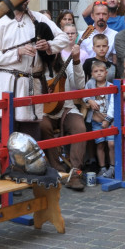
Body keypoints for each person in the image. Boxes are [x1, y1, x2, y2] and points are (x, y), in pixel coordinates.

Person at [0, 0, 70, 137]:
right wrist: (17, 52)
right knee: (6, 138)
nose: (28, 0)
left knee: (30, 140)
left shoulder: (38, 18)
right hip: (6, 84)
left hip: (32, 86)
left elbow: (63, 38)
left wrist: (49, 46)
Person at [39, 32, 88, 189]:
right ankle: (58, 170)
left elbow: (80, 84)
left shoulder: (66, 66)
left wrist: (76, 60)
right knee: (42, 126)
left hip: (67, 108)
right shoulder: (37, 69)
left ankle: (75, 173)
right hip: (44, 111)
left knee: (80, 128)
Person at [85, 60, 116, 177]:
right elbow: (84, 94)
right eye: (96, 71)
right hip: (96, 121)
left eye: (101, 71)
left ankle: (112, 167)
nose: (99, 73)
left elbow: (113, 105)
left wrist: (108, 119)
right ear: (92, 74)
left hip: (109, 121)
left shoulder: (111, 87)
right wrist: (89, 100)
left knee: (111, 144)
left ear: (106, 72)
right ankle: (102, 167)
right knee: (100, 144)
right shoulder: (90, 84)